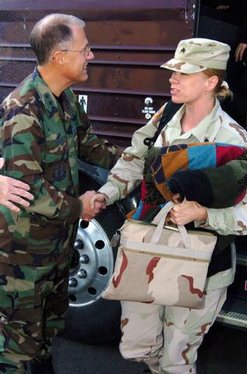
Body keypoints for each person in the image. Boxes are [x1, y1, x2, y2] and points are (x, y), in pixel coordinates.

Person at [93, 38, 247, 373]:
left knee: (177, 361)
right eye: (173, 70)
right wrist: (107, 192)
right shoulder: (167, 116)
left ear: (211, 82)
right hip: (147, 255)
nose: (172, 78)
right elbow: (135, 157)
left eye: (184, 72)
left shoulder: (233, 139)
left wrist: (204, 212)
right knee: (138, 346)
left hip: (200, 270)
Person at [0, 13, 121, 374]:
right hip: (22, 259)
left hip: (56, 251)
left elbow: (94, 149)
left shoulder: (66, 100)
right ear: (59, 58)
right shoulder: (22, 110)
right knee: (17, 349)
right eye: (85, 49)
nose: (91, 55)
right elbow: (30, 191)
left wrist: (140, 164)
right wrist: (79, 205)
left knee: (47, 335)